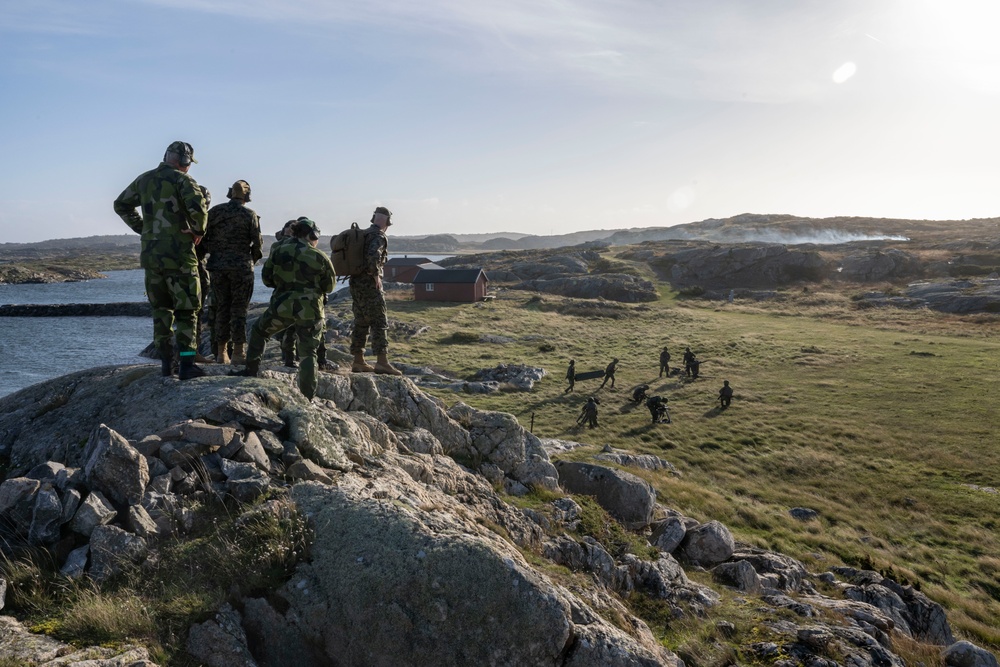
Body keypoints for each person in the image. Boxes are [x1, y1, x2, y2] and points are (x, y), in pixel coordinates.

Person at [114, 141, 208, 380]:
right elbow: (198, 209)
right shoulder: (183, 181)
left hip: (152, 256)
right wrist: (198, 230)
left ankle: (166, 364)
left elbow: (121, 204)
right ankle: (187, 365)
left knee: (161, 310)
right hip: (180, 256)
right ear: (185, 162)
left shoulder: (144, 180)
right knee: (187, 310)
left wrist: (144, 228)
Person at [232, 217, 335, 400]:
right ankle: (307, 397)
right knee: (308, 353)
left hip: (282, 306)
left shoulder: (278, 250)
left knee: (259, 332)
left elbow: (267, 279)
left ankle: (251, 370)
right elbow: (329, 287)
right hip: (310, 311)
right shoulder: (319, 256)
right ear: (312, 235)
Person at [203, 180, 263, 365]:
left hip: (218, 267)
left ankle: (221, 353)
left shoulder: (215, 212)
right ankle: (238, 352)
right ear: (247, 196)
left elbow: (205, 239)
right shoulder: (249, 215)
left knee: (222, 308)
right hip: (241, 268)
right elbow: (257, 244)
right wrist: (250, 261)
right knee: (239, 310)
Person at [349, 206, 401, 375]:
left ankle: (358, 361)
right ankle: (382, 362)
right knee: (379, 321)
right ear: (388, 222)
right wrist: (375, 275)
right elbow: (373, 256)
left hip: (355, 283)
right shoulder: (378, 236)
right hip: (369, 285)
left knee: (361, 321)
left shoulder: (362, 234)